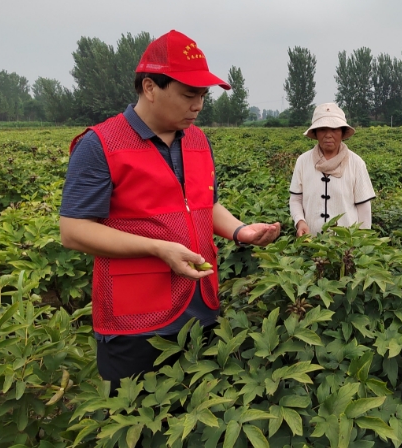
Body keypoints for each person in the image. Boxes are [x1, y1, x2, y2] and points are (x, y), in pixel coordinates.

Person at [59, 30, 280, 391]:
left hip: (200, 305)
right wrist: (157, 248)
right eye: (188, 95)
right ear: (149, 87)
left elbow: (206, 204)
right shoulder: (100, 144)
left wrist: (241, 231)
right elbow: (73, 230)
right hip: (136, 320)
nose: (198, 106)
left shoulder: (197, 139)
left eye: (203, 96)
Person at [289, 103, 375, 236]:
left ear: (342, 132)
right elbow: (296, 199)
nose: (328, 135)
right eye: (322, 129)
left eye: (334, 129)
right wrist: (300, 222)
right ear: (316, 133)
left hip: (346, 246)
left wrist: (361, 242)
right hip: (311, 243)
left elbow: (364, 208)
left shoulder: (356, 163)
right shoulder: (303, 161)